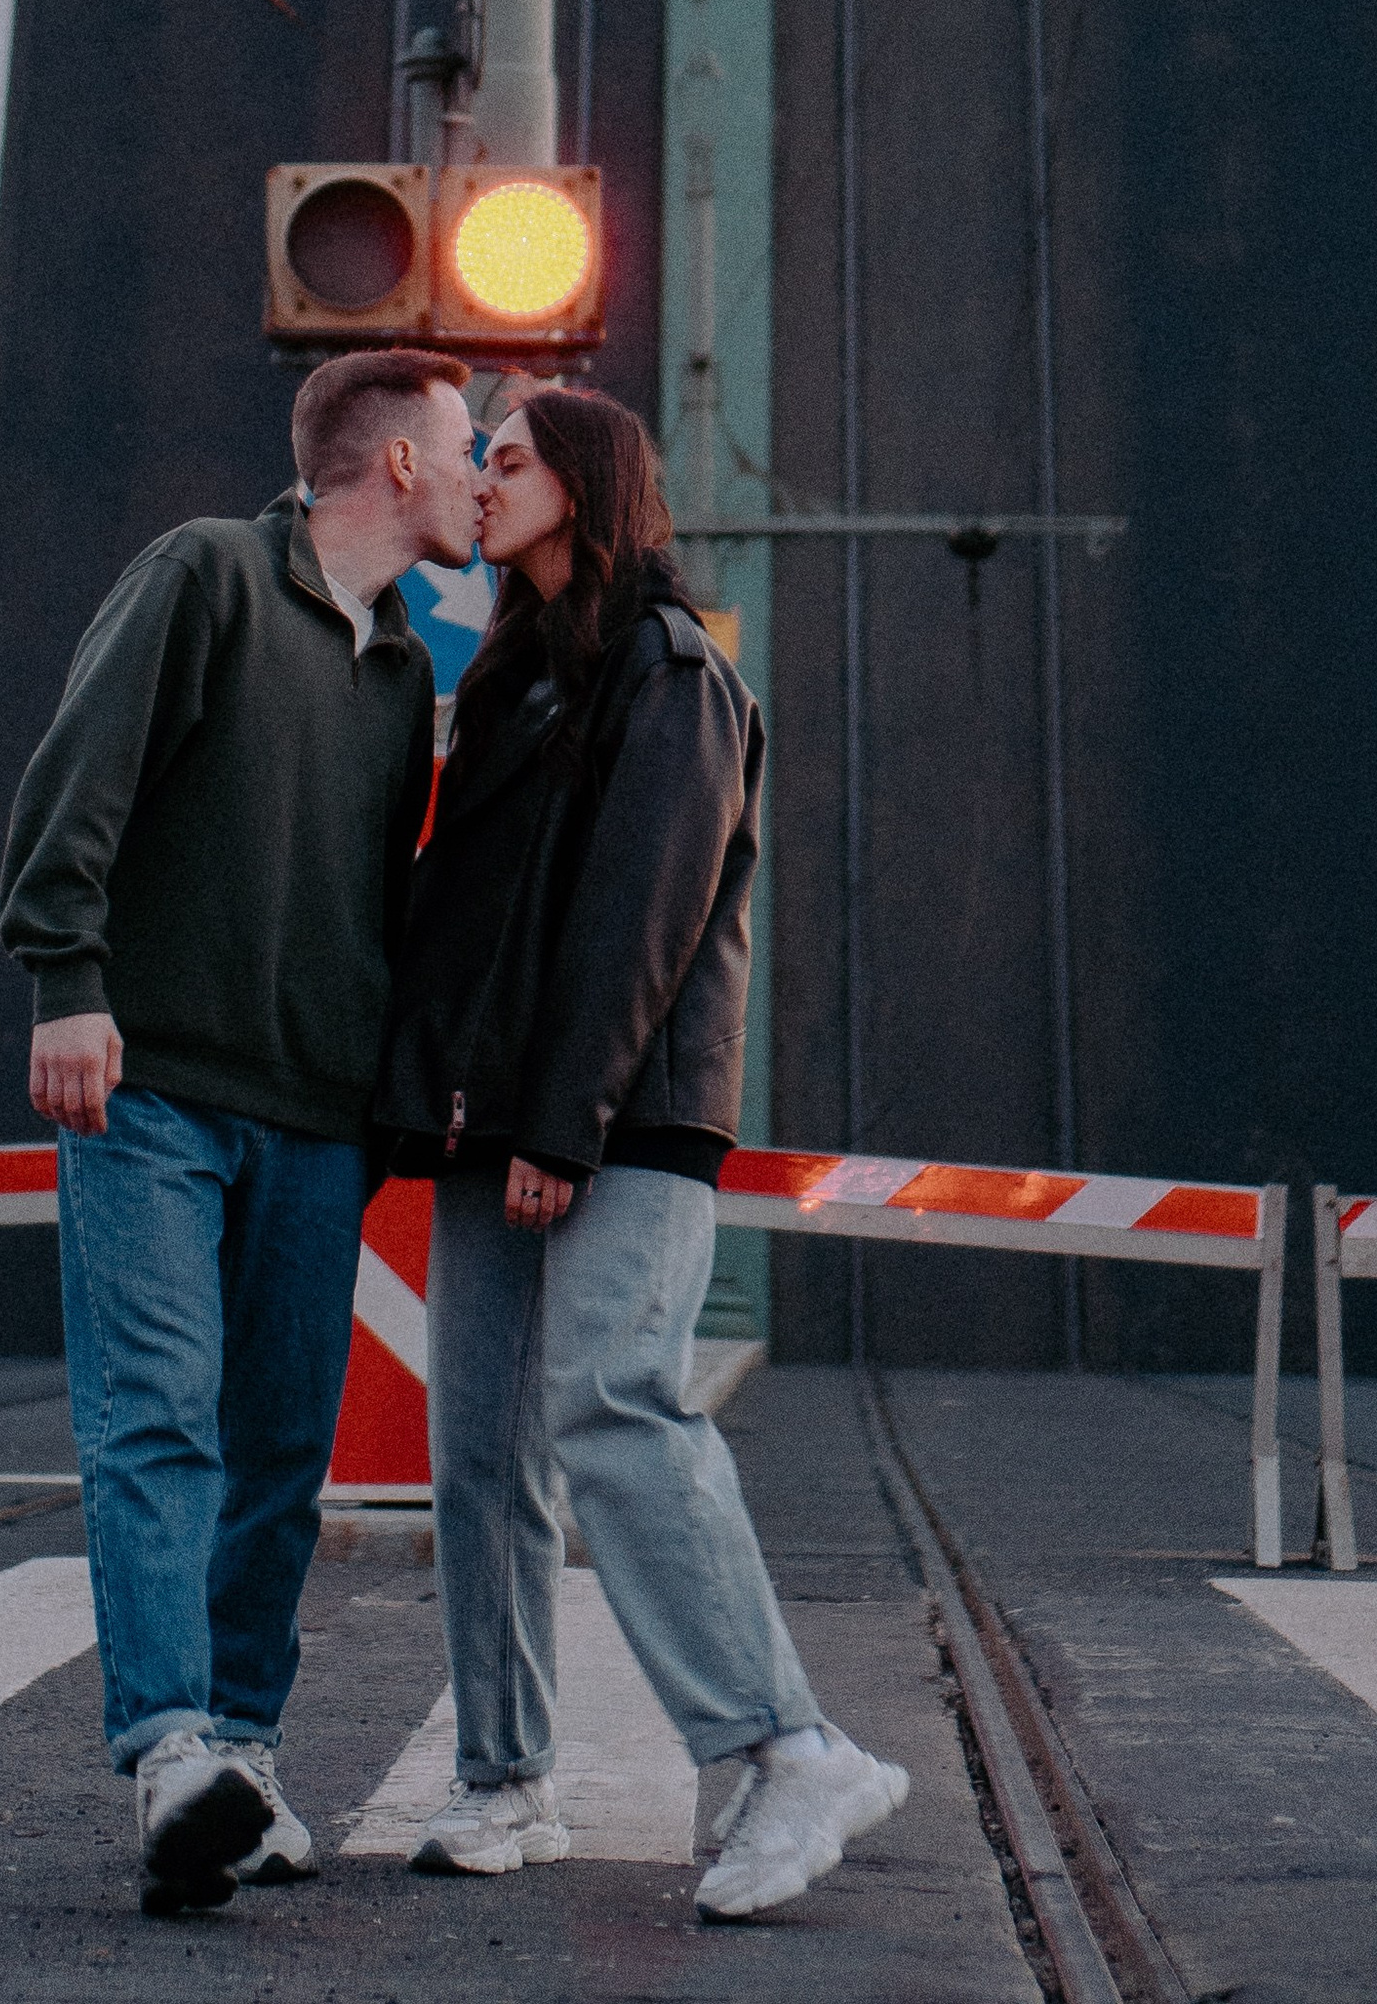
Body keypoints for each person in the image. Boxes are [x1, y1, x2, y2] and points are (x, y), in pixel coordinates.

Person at [375, 385, 910, 1925]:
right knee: (478, 1453)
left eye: (514, 459)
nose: (485, 478)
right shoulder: (514, 681)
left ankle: (786, 1746)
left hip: (624, 1117)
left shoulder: (673, 676)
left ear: (590, 483)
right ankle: (504, 1778)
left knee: (613, 1403)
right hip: (501, 1119)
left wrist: (564, 1124)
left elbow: (642, 919)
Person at [0, 349, 478, 1916]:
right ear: (395, 463)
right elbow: (80, 777)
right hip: (151, 1089)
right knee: (160, 1415)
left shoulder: (407, 669)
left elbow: (383, 906)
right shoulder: (206, 574)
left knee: (281, 1451)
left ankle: (245, 1763)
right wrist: (67, 981)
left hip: (316, 1121)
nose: (484, 479)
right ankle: (168, 1751)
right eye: (469, 449)